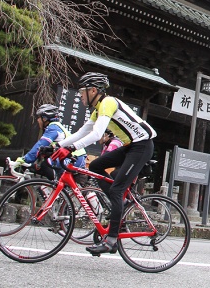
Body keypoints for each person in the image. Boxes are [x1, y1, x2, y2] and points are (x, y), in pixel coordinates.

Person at [51, 72, 157, 255]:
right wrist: (57, 145)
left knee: (116, 189)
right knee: (95, 166)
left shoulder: (108, 102)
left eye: (82, 92)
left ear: (93, 90)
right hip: (131, 146)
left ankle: (112, 241)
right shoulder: (98, 108)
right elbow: (82, 132)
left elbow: (97, 134)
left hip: (142, 146)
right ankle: (117, 206)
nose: (80, 96)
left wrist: (71, 148)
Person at [12, 104, 86, 181]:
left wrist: (24, 159)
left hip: (76, 157)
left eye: (39, 117)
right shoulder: (55, 126)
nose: (37, 120)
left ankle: (56, 187)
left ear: (44, 118)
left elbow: (40, 145)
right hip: (74, 157)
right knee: (42, 165)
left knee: (46, 164)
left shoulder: (53, 128)